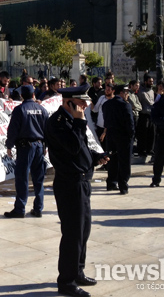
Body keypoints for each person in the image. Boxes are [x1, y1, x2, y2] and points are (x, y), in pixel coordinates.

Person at [45, 84, 108, 297]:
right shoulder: (58, 122)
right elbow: (71, 147)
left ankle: (78, 271)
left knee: (84, 230)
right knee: (72, 233)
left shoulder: (74, 120)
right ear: (68, 102)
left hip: (82, 182)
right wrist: (80, 122)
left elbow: (81, 147)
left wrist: (95, 156)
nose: (85, 105)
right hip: (69, 184)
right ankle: (67, 281)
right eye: (81, 102)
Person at [4, 84, 49, 218]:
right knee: (38, 179)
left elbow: (13, 130)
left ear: (22, 96)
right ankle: (38, 208)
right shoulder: (42, 109)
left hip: (25, 148)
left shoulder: (19, 110)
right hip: (39, 147)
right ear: (34, 95)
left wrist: (9, 146)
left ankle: (20, 209)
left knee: (22, 178)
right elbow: (47, 130)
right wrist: (45, 146)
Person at [102, 84, 135, 194]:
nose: (127, 95)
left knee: (112, 160)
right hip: (123, 137)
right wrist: (131, 136)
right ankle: (123, 184)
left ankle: (111, 182)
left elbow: (105, 122)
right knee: (124, 161)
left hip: (111, 136)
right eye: (126, 92)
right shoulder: (125, 105)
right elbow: (130, 123)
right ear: (121, 93)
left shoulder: (106, 105)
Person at [136, 75, 156, 156]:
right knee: (143, 133)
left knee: (152, 132)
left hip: (151, 114)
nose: (151, 83)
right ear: (145, 82)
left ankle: (150, 149)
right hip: (143, 114)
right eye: (150, 81)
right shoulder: (140, 92)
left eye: (152, 81)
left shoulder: (151, 91)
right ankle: (142, 149)